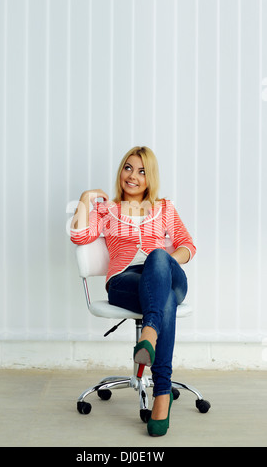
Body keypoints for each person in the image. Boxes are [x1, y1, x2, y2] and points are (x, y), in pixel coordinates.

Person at [70, 146, 196, 437]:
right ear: (121, 171)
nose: (133, 176)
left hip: (169, 278)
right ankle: (162, 393)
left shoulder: (165, 208)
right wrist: (86, 198)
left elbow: (188, 245)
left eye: (141, 171)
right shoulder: (107, 209)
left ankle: (148, 334)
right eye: (128, 167)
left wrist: (162, 262)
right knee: (162, 300)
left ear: (150, 178)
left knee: (157, 256)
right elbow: (79, 235)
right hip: (124, 282)